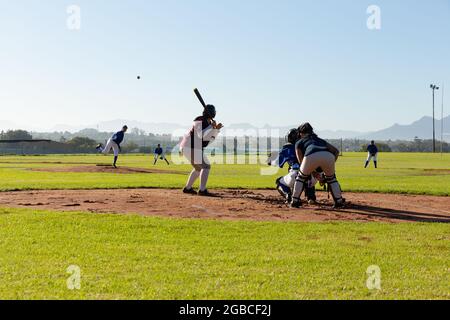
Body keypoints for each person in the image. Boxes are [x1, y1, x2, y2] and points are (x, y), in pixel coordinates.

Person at [291, 123, 346, 209]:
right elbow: (336, 151)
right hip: (329, 156)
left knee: (301, 178)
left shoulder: (299, 142)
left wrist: (311, 172)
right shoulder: (320, 140)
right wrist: (327, 168)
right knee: (331, 179)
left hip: (310, 155)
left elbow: (300, 161)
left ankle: (294, 201)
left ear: (301, 133)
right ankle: (339, 201)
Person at [180, 105, 223, 196]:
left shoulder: (208, 123)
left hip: (191, 147)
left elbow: (210, 139)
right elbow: (200, 135)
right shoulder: (200, 119)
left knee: (198, 168)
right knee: (206, 166)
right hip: (190, 146)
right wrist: (211, 127)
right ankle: (202, 190)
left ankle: (188, 188)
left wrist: (216, 130)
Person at [272, 128, 318, 204]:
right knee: (308, 176)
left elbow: (276, 163)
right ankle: (311, 197)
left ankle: (288, 196)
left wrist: (271, 160)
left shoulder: (287, 147)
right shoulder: (306, 146)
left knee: (279, 181)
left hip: (295, 175)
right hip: (313, 176)